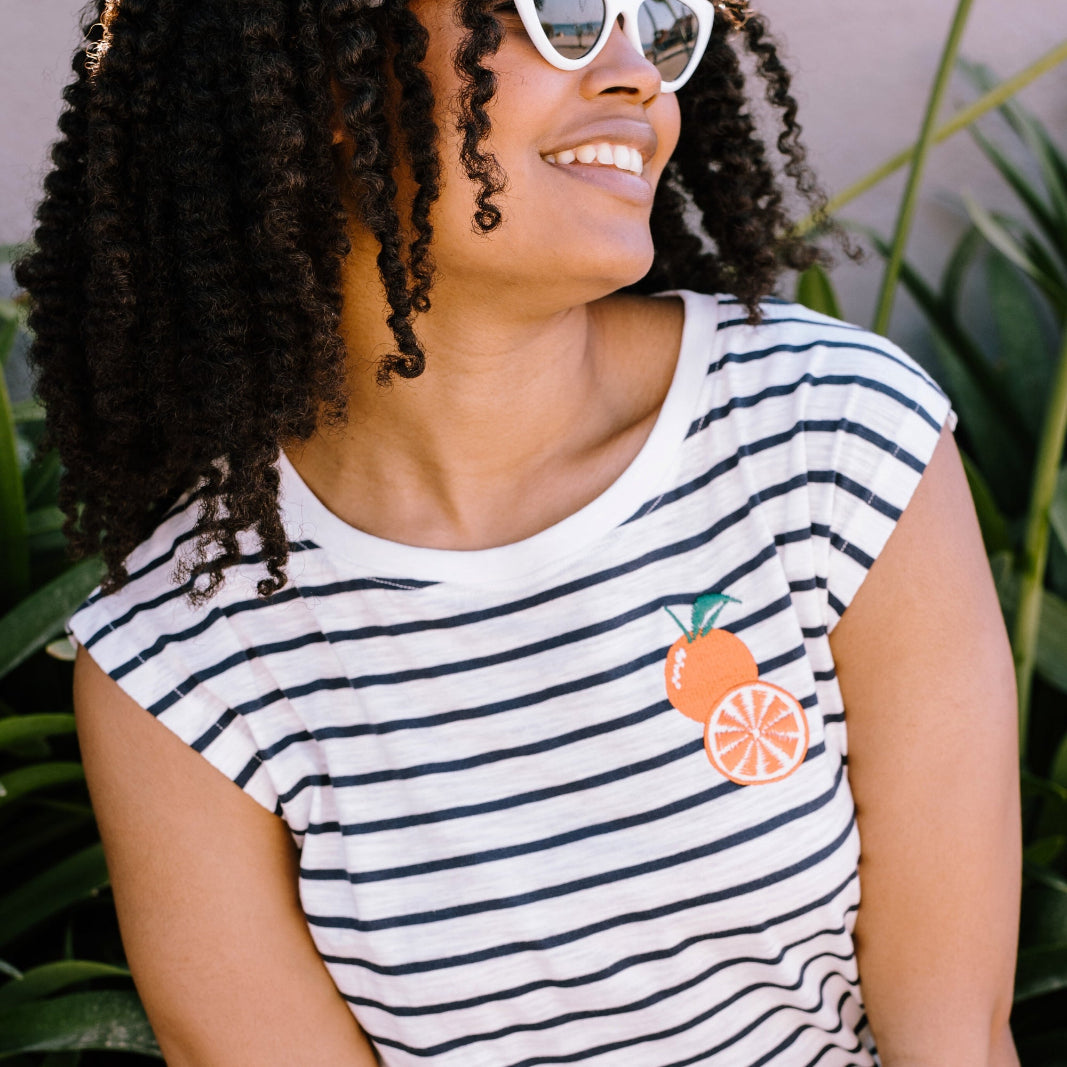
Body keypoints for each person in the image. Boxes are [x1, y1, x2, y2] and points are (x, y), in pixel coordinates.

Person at [15, 0, 1022, 1063]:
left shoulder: (827, 436)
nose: (637, 72)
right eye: (560, 13)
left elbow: (952, 1038)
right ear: (330, 77)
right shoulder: (182, 659)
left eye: (660, 18)